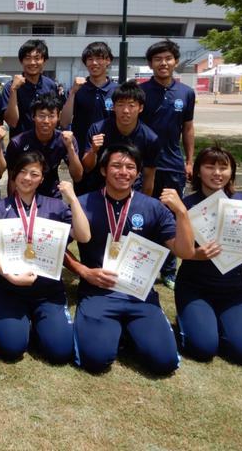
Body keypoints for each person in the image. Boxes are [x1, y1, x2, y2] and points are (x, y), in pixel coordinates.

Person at [65, 144, 196, 375]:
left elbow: (185, 252)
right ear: (104, 170)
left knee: (164, 363)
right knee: (95, 361)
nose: (123, 171)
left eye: (130, 167)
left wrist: (182, 213)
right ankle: (116, 332)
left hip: (139, 293)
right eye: (116, 165)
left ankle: (128, 332)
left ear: (137, 173)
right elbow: (58, 246)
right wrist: (83, 271)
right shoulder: (84, 203)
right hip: (99, 291)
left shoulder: (153, 207)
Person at [0, 151, 91, 362]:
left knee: (60, 352)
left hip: (48, 290)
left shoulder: (56, 207)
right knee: (10, 349)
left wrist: (73, 200)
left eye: (34, 174)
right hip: (9, 288)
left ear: (42, 178)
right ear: (13, 175)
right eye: (22, 172)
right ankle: (20, 327)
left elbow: (84, 236)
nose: (27, 178)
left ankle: (42, 325)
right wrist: (10, 276)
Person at [176, 147, 242, 365]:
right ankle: (196, 319)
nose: (217, 173)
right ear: (198, 171)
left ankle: (219, 322)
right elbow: (176, 249)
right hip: (195, 288)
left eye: (223, 167)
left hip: (234, 291)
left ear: (232, 172)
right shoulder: (186, 206)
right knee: (203, 349)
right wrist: (195, 254)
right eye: (210, 167)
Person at [140, 40, 196, 289]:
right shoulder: (140, 92)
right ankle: (142, 264)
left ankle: (169, 270)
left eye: (168, 58)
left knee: (172, 217)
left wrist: (190, 160)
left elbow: (188, 128)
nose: (163, 63)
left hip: (173, 165)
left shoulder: (186, 93)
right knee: (142, 214)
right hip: (143, 165)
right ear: (150, 63)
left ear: (175, 61)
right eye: (157, 59)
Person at [81, 80, 160, 195]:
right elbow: (87, 168)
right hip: (100, 191)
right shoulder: (98, 130)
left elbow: (149, 178)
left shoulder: (150, 139)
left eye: (132, 105)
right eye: (120, 104)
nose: (126, 110)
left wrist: (143, 204)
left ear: (141, 108)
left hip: (132, 193)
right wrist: (93, 150)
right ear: (113, 107)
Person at [5, 94, 82, 199]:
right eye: (41, 116)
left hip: (52, 194)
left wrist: (70, 148)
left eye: (51, 116)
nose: (46, 121)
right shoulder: (18, 143)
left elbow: (77, 176)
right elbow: (12, 178)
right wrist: (12, 204)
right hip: (24, 194)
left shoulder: (65, 139)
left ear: (58, 117)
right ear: (33, 116)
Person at [60, 41, 117, 161]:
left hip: (111, 152)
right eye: (90, 59)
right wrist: (73, 93)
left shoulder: (117, 90)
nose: (94, 63)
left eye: (99, 58)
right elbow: (64, 122)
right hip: (82, 151)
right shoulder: (78, 89)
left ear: (108, 61)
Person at [1, 39, 57, 137]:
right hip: (20, 146)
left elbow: (56, 117)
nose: (32, 62)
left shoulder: (51, 85)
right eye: (27, 58)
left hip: (47, 145)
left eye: (37, 58)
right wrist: (13, 90)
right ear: (21, 61)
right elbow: (12, 122)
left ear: (44, 61)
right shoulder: (10, 87)